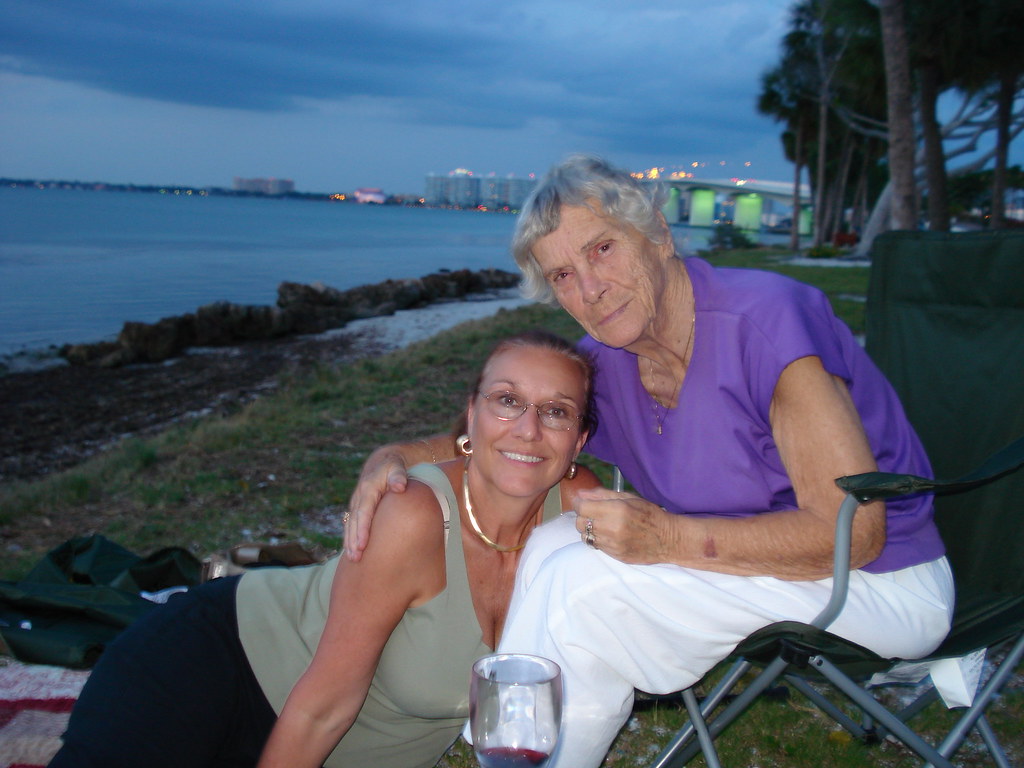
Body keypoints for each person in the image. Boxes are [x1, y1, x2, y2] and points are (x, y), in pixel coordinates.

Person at [345, 155, 954, 766]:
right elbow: (513, 431)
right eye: (563, 275)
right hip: (762, 570)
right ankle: (534, 748)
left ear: (658, 233)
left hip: (880, 583)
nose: (590, 288)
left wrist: (667, 538)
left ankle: (521, 752)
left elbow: (855, 533)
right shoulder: (608, 363)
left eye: (603, 249)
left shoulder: (766, 323)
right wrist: (396, 455)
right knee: (552, 545)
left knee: (582, 585)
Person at [49, 330, 600, 768]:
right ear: (472, 415)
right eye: (507, 401)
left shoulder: (581, 513)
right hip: (220, 662)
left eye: (556, 411)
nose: (528, 429)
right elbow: (323, 708)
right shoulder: (415, 515)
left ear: (578, 440)